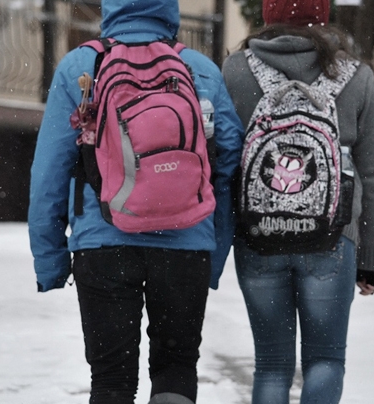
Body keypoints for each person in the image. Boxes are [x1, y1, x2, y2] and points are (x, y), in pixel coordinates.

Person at [27, 1, 243, 403]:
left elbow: (49, 172)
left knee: (111, 379)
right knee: (176, 368)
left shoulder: (81, 67)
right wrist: (214, 250)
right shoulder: (200, 70)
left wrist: (50, 259)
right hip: (185, 244)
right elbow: (229, 163)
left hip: (103, 243)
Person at [221, 0, 374, 403]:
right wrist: (371, 256)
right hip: (332, 237)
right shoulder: (356, 76)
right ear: (323, 14)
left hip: (259, 235)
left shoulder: (236, 71)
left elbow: (221, 160)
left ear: (267, 13)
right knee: (326, 361)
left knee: (272, 365)